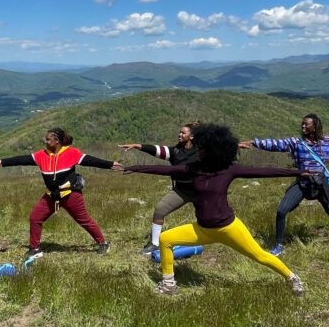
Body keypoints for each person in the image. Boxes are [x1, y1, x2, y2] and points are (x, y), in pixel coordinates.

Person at [123, 123, 311, 296]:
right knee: (165, 239)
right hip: (203, 230)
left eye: (202, 148)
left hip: (229, 228)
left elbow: (263, 171)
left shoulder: (229, 169)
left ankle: (293, 278)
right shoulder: (192, 168)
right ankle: (169, 284)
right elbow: (163, 170)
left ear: (213, 151)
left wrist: (297, 172)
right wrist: (137, 167)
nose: (199, 150)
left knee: (260, 256)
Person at [239, 113, 329, 256]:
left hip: (320, 185)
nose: (303, 126)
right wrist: (253, 142)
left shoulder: (327, 142)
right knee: (281, 211)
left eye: (306, 124)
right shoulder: (296, 143)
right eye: (302, 124)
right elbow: (275, 144)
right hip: (302, 184)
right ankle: (279, 245)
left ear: (314, 127)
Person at [0, 128, 121, 257]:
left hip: (70, 194)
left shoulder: (71, 153)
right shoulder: (41, 155)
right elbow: (21, 159)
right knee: (35, 218)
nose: (46, 141)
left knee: (84, 220)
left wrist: (110, 164)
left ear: (57, 141)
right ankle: (34, 249)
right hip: (51, 195)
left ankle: (103, 244)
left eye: (48, 139)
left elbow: (91, 161)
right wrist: (2, 162)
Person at [118, 122, 199, 255]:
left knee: (208, 218)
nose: (179, 134)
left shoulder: (201, 151)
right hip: (181, 190)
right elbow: (157, 150)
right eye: (180, 132)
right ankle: (155, 244)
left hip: (201, 191)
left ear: (192, 136)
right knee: (160, 209)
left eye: (183, 133)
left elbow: (218, 149)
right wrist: (137, 146)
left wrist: (236, 145)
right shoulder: (175, 151)